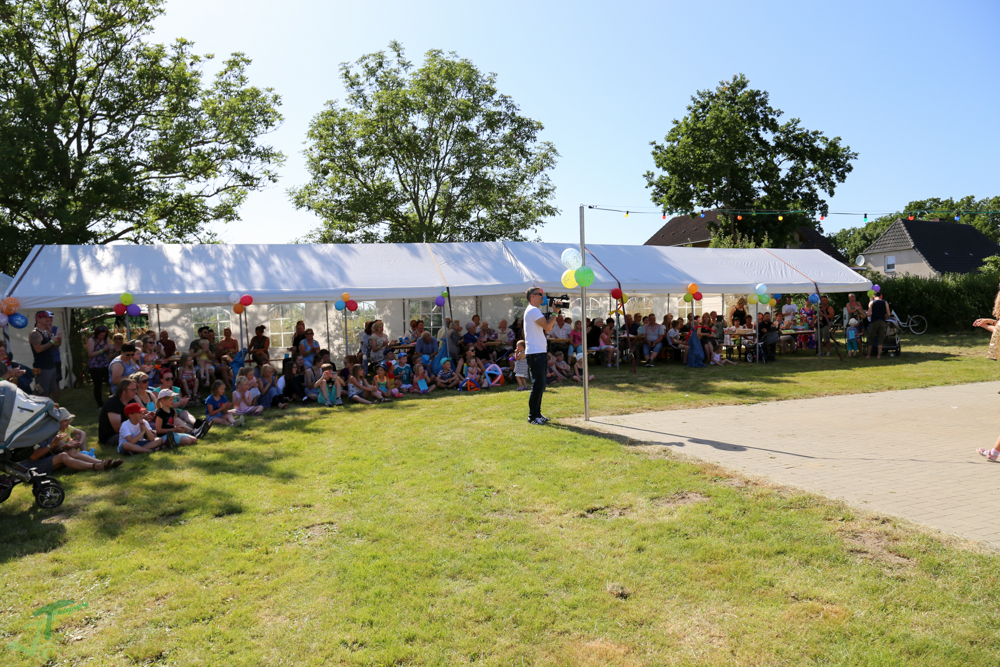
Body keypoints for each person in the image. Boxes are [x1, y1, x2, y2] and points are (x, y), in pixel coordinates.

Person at [523, 287, 561, 425]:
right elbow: (548, 327)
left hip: (538, 352)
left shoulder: (533, 310)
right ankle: (532, 416)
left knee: (541, 385)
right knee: (538, 385)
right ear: (533, 296)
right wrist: (555, 313)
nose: (542, 297)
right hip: (535, 353)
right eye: (540, 295)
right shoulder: (533, 310)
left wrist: (554, 313)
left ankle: (537, 414)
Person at [28, 310, 62, 399]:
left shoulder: (46, 332)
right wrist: (52, 341)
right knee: (41, 393)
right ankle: (40, 412)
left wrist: (57, 339)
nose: (48, 319)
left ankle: (49, 410)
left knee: (50, 391)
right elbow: (38, 349)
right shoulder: (34, 333)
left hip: (51, 366)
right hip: (41, 368)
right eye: (45, 317)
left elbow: (53, 347)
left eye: (48, 317)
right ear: (38, 319)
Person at [98, 378, 138, 448]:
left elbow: (138, 416)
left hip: (129, 432)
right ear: (123, 391)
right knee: (135, 439)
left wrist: (144, 417)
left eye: (135, 389)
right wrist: (137, 420)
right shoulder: (112, 403)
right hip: (111, 436)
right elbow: (117, 428)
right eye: (132, 390)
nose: (135, 392)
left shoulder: (131, 401)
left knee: (151, 432)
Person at [85, 324, 112, 408]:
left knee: (110, 382)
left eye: (103, 335)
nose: (102, 336)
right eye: (100, 335)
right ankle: (100, 404)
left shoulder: (106, 339)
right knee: (98, 385)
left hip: (105, 364)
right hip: (95, 365)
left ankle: (112, 400)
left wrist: (110, 350)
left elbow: (109, 350)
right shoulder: (91, 340)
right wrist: (103, 350)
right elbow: (90, 354)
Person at [867, 293, 892, 359]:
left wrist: (865, 313)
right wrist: (885, 316)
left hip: (874, 321)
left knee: (871, 338)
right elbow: (889, 313)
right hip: (882, 321)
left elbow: (869, 314)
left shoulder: (871, 303)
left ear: (874, 296)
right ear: (880, 296)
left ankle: (868, 355)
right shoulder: (885, 302)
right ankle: (879, 355)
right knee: (881, 338)